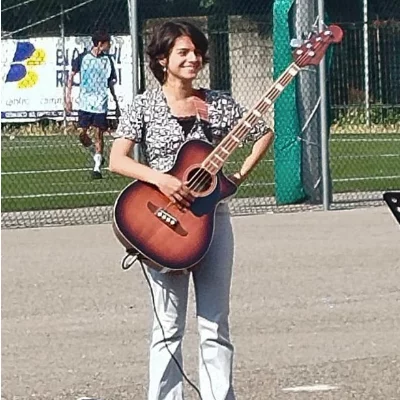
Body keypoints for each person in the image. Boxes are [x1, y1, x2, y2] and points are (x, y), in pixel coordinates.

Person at [109, 20, 274, 400]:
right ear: (162, 59)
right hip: (162, 222)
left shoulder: (217, 103)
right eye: (183, 52)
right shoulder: (144, 105)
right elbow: (118, 159)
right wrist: (162, 180)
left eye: (197, 52)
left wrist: (237, 176)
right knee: (167, 326)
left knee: (215, 322)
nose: (193, 58)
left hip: (212, 220)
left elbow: (262, 132)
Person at [66, 30, 120, 179]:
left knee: (98, 134)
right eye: (108, 43)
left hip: (100, 103)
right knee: (81, 134)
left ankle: (97, 168)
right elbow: (71, 77)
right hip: (85, 103)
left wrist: (116, 103)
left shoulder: (107, 60)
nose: (109, 46)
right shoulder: (83, 58)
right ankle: (96, 155)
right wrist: (68, 98)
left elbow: (110, 83)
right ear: (100, 43)